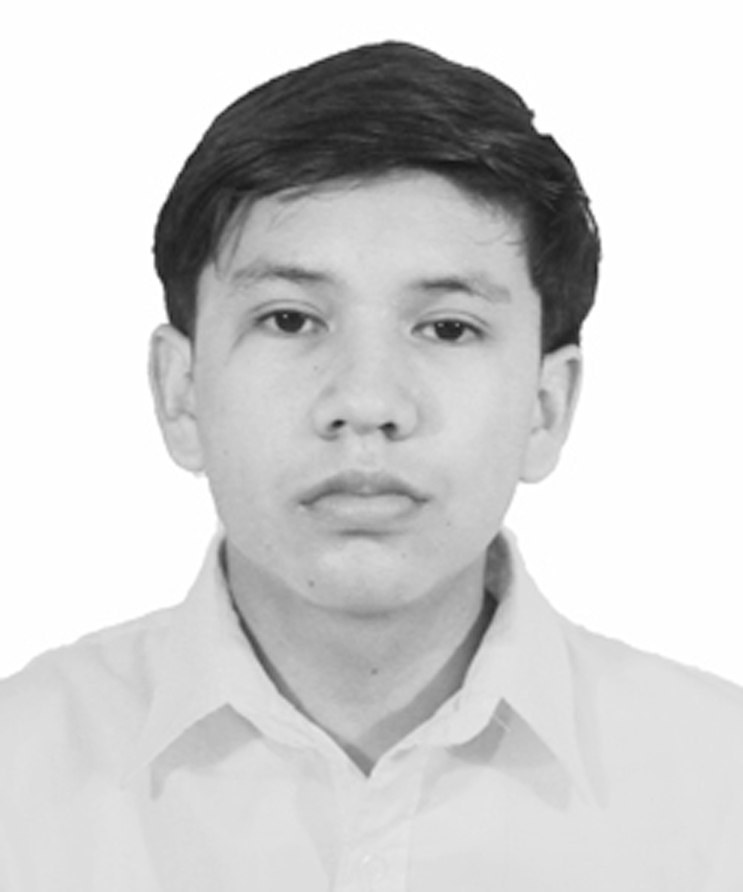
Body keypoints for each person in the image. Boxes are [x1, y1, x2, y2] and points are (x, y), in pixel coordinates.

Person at [1, 40, 741, 891]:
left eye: (448, 328)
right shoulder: (18, 778)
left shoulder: (719, 789)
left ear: (546, 405)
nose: (365, 401)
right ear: (181, 392)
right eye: (289, 320)